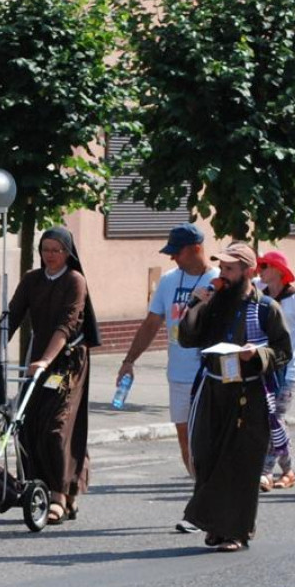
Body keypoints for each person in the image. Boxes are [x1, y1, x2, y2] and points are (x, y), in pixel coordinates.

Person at [177, 242, 291, 552]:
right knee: (206, 456)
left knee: (241, 462)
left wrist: (257, 354)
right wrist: (195, 303)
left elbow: (283, 351)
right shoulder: (214, 302)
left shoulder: (267, 308)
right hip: (213, 389)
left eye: (229, 269)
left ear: (248, 272)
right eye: (222, 268)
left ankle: (236, 532)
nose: (223, 274)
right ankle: (215, 525)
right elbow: (188, 338)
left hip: (248, 393)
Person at [116, 223, 219, 532]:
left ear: (197, 249)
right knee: (186, 442)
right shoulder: (169, 281)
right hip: (178, 373)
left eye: (178, 252)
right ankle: (202, 500)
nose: (173, 258)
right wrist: (128, 360)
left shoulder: (218, 280)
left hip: (209, 374)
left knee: (206, 442)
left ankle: (202, 509)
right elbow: (151, 323)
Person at [8, 226, 101, 525]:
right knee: (25, 425)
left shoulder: (75, 280)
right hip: (39, 360)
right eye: (45, 249)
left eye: (56, 250)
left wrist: (46, 360)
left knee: (57, 427)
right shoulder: (32, 280)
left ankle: (61, 494)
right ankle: (37, 489)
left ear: (67, 253)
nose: (50, 255)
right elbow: (12, 316)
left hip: (67, 362)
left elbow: (67, 325)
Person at [255, 250, 295, 492]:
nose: (261, 270)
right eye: (260, 266)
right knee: (271, 420)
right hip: (267, 367)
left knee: (275, 418)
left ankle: (265, 472)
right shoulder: (261, 297)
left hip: (291, 367)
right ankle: (288, 471)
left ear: (279, 270)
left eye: (266, 265)